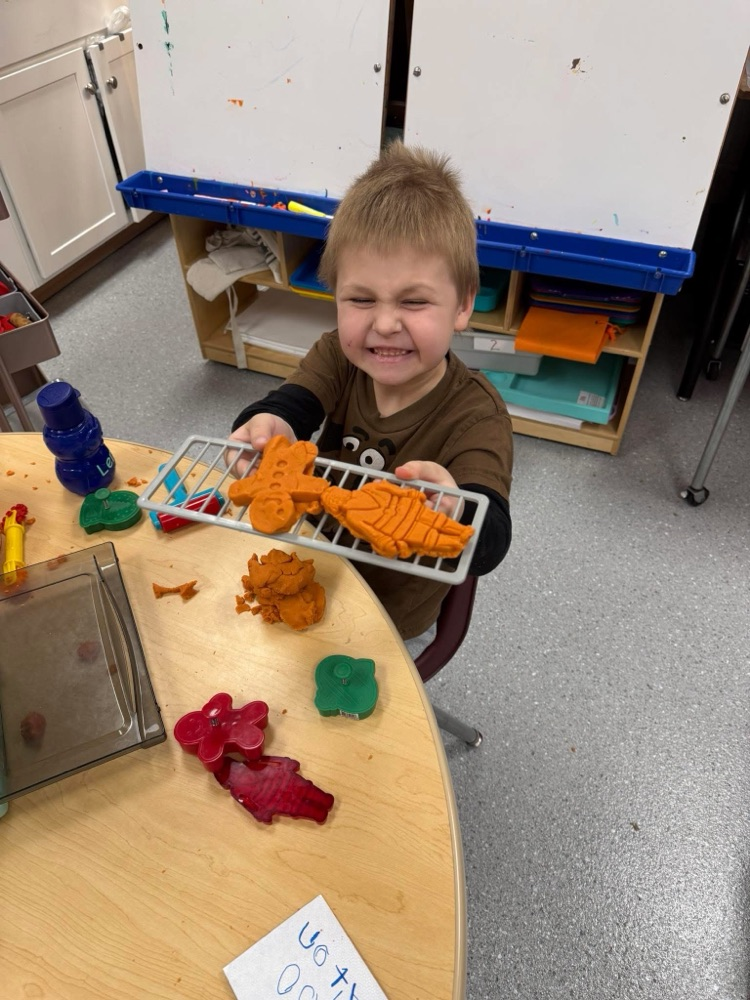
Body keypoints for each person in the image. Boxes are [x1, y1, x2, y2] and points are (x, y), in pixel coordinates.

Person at [229, 141, 513, 659]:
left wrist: (457, 507)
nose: (384, 324)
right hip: (316, 561)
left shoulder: (478, 415)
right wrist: (266, 423)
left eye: (414, 301)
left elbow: (491, 540)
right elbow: (292, 404)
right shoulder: (339, 356)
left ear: (462, 305)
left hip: (394, 614)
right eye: (361, 299)